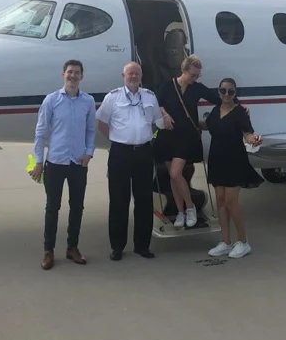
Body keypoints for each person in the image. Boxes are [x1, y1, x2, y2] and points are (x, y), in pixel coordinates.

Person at [96, 62, 169, 261]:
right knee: (119, 201)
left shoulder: (150, 97)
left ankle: (142, 246)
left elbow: (156, 121)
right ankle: (117, 247)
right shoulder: (113, 97)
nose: (133, 76)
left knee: (144, 201)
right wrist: (116, 140)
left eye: (136, 73)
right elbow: (101, 122)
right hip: (120, 153)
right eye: (130, 73)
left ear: (141, 75)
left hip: (144, 153)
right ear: (123, 76)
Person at [31, 59, 96, 270]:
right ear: (63, 75)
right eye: (70, 72)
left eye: (77, 73)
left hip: (78, 163)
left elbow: (90, 131)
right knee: (52, 208)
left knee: (77, 207)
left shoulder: (87, 101)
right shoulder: (51, 100)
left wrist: (89, 153)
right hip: (56, 162)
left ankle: (72, 248)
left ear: (81, 77)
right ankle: (48, 251)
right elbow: (40, 133)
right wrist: (39, 161)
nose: (73, 76)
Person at [155, 55, 228, 228]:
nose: (195, 79)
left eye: (197, 76)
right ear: (184, 70)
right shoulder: (166, 86)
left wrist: (237, 106)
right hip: (167, 136)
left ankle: (190, 208)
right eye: (193, 75)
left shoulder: (197, 88)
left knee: (174, 173)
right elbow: (156, 104)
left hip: (186, 136)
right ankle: (180, 212)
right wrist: (164, 114)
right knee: (174, 178)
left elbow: (219, 100)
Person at [201, 77, 263, 259]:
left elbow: (248, 133)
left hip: (234, 160)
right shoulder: (215, 111)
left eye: (230, 91)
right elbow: (206, 125)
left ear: (235, 93)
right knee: (220, 201)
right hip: (217, 159)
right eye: (223, 91)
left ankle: (243, 242)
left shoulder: (240, 112)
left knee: (231, 202)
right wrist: (183, 121)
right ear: (219, 92)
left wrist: (253, 139)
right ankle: (226, 242)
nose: (226, 94)